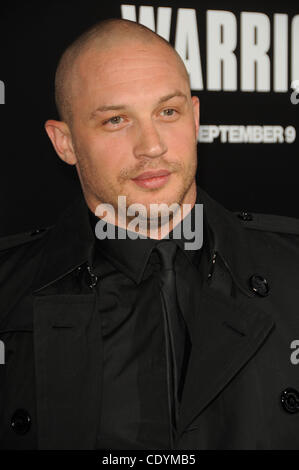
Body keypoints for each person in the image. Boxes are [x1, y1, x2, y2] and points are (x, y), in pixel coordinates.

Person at [1, 18, 299, 451]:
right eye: (117, 119)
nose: (152, 145)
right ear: (64, 142)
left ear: (194, 118)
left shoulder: (293, 268)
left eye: (168, 112)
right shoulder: (9, 289)